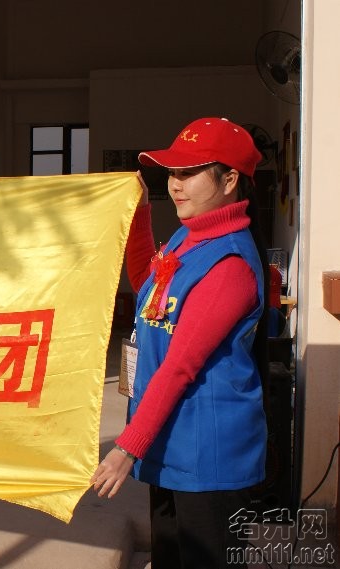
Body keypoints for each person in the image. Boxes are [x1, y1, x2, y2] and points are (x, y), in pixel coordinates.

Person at [90, 117, 270, 568]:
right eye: (172, 172)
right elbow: (148, 288)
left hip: (209, 458)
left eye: (189, 173)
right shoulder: (189, 237)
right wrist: (139, 214)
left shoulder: (229, 265)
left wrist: (126, 447)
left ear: (230, 180)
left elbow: (180, 366)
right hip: (171, 445)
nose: (175, 184)